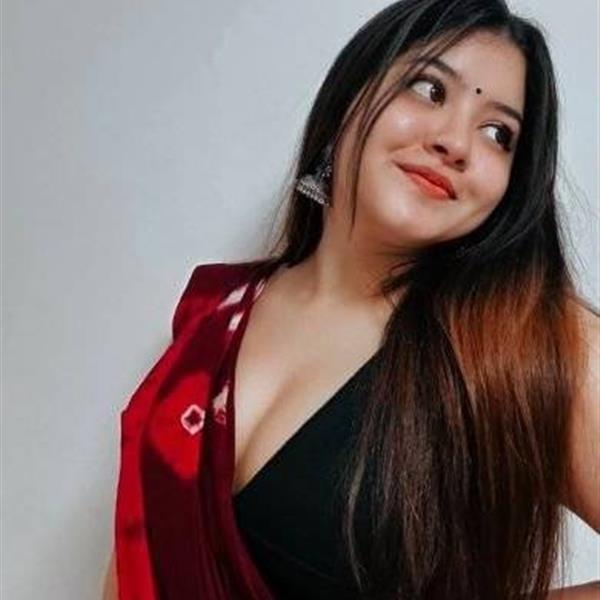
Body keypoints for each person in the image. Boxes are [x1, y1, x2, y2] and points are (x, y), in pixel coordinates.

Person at [103, 0, 600, 598]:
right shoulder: (214, 313)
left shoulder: (526, 346)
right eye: (429, 89)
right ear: (349, 98)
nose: (455, 141)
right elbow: (136, 559)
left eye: (499, 134)